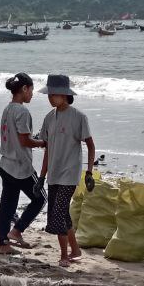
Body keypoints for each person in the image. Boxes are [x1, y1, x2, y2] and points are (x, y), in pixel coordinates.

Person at [37, 74, 96, 267]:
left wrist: (89, 172)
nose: (50, 98)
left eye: (53, 94)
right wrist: (41, 175)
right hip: (53, 173)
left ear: (64, 95)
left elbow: (90, 144)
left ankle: (63, 255)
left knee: (58, 213)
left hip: (70, 173)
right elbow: (48, 149)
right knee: (63, 214)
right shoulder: (48, 118)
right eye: (49, 94)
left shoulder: (79, 117)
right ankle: (75, 249)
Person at [0, 72, 46, 254]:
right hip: (20, 166)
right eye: (31, 90)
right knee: (41, 198)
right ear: (24, 89)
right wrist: (42, 142)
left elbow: (17, 137)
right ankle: (17, 230)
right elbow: (25, 141)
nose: (32, 94)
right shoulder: (23, 111)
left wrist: (34, 139)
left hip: (5, 163)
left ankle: (3, 244)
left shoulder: (8, 108)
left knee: (7, 205)